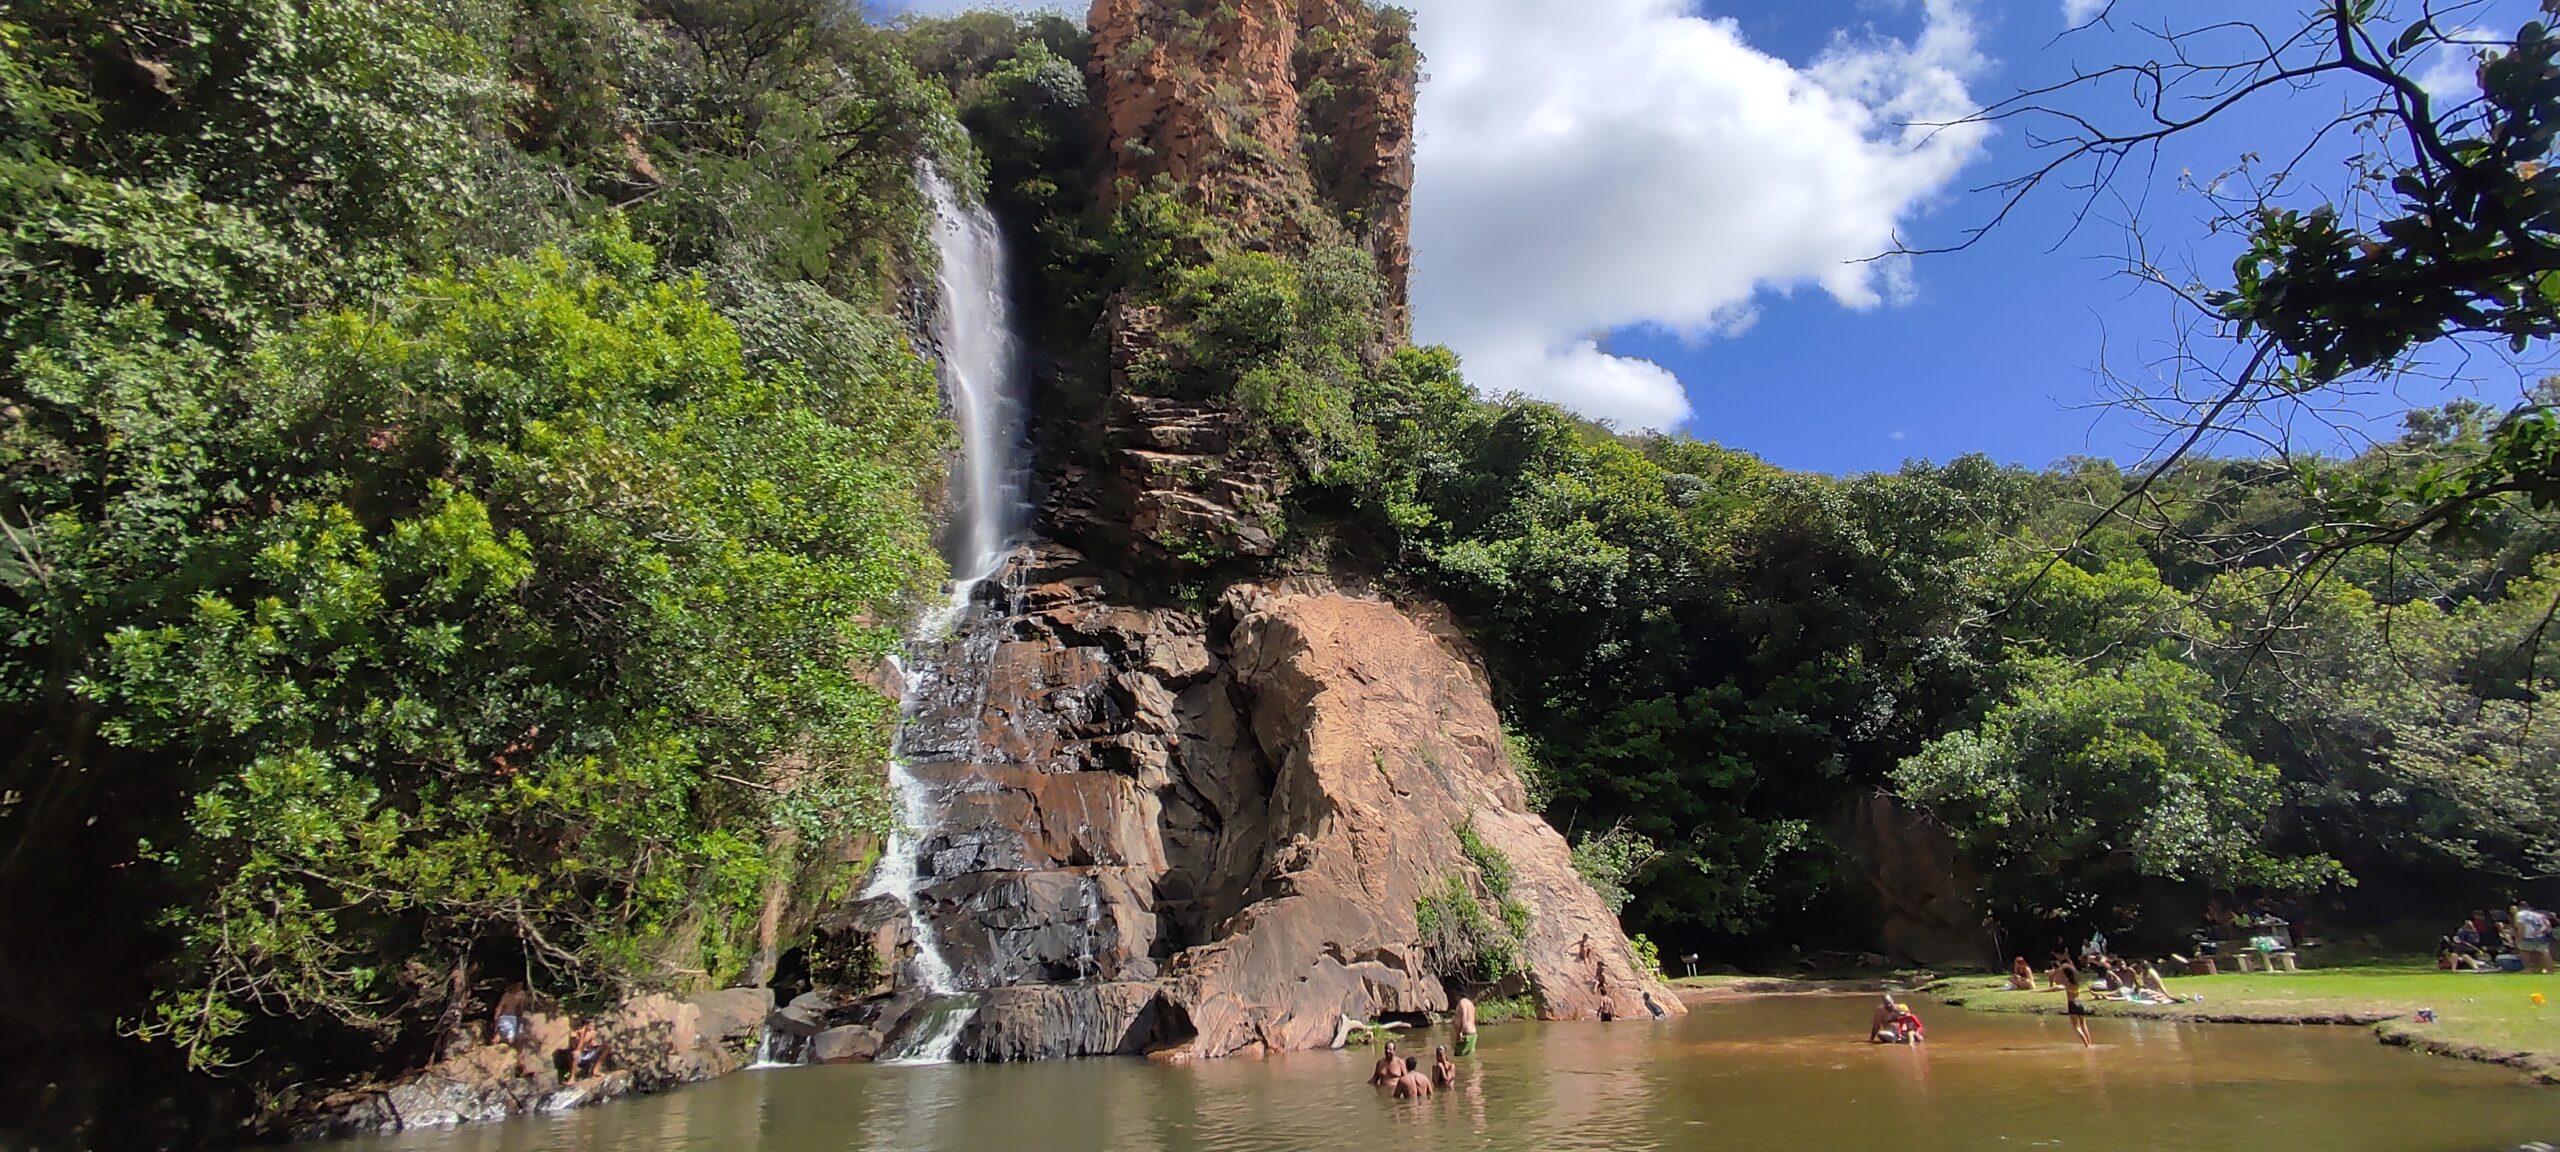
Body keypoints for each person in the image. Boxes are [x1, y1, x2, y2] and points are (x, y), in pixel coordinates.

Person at [2060, 965, 2093, 1048]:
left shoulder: (2066, 983)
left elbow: (2056, 979)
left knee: (2076, 1027)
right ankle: (2089, 1043)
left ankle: (2086, 1045)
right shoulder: (2077, 982)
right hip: (2080, 1003)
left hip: (2072, 1004)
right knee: (2083, 1025)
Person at [2517, 904, 2555, 975]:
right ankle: (2549, 970)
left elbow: (2521, 926)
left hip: (2527, 936)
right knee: (2544, 953)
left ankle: (2528, 969)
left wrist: (2520, 937)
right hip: (2540, 936)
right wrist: (2538, 932)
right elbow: (2547, 925)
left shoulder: (2520, 914)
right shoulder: (2539, 915)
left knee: (2524, 952)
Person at [491, 983, 529, 1049]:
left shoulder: (506, 995)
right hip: (511, 1019)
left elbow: (498, 1009)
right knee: (512, 1038)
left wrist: (496, 1020)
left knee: (500, 1034)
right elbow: (520, 1010)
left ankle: (493, 1047)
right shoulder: (520, 996)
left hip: (503, 1019)